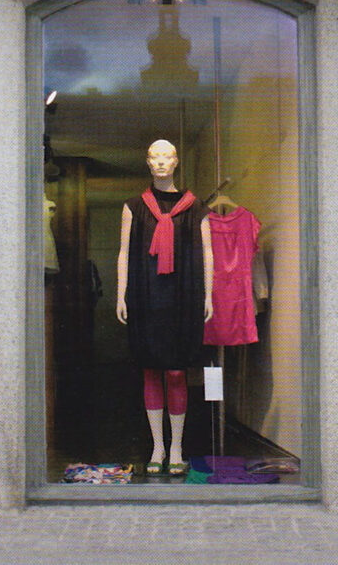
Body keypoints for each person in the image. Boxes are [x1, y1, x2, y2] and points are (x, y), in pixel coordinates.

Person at [117, 139, 213, 476]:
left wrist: (208, 295)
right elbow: (124, 253)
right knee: (150, 369)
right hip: (145, 294)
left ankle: (176, 448)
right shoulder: (133, 206)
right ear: (147, 162)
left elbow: (207, 253)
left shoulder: (195, 207)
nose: (160, 162)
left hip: (183, 295)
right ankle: (157, 446)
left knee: (176, 371)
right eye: (155, 157)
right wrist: (120, 294)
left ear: (176, 162)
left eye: (167, 156)